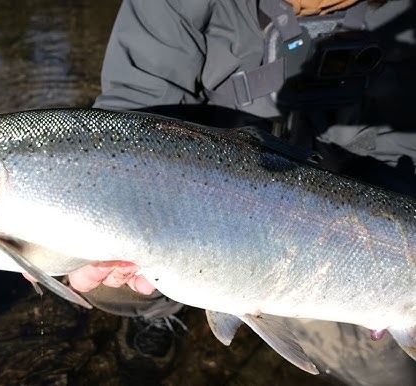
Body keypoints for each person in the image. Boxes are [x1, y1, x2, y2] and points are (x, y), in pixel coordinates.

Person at [63, 0, 416, 384]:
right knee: (99, 272)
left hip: (336, 220)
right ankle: (160, 314)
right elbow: (132, 111)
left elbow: (404, 151)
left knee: (390, 374)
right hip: (192, 197)